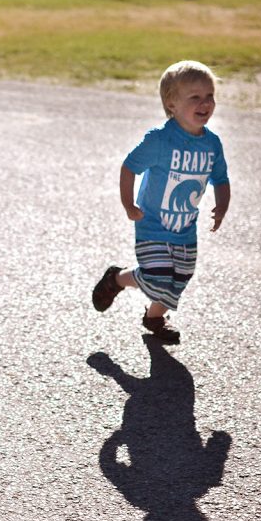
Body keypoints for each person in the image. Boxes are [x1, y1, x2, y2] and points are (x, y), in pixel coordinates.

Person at [92, 60, 231, 344]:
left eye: (209, 96)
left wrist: (222, 206)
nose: (205, 103)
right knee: (157, 277)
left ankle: (153, 317)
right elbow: (129, 167)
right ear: (172, 104)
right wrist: (129, 205)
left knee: (179, 279)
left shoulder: (212, 144)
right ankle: (117, 279)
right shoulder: (160, 141)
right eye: (195, 97)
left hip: (185, 228)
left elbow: (221, 178)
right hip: (152, 224)